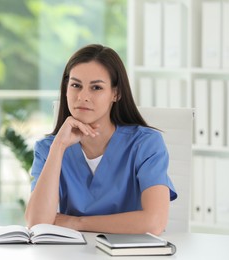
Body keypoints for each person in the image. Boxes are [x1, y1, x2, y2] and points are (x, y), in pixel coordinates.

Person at [24, 44, 177, 235]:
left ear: (116, 93)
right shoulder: (49, 148)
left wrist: (76, 222)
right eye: (75, 85)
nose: (83, 96)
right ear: (65, 89)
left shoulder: (145, 144)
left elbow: (154, 223)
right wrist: (59, 147)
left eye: (96, 87)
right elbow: (37, 223)